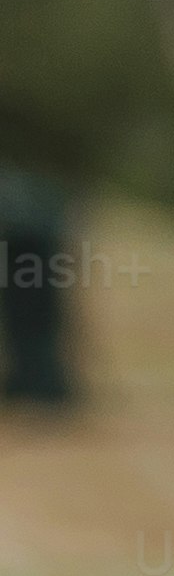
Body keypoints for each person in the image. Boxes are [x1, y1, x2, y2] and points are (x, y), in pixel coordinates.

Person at [0, 169, 76, 412]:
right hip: (28, 250)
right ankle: (35, 381)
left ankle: (39, 382)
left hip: (31, 252)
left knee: (36, 314)